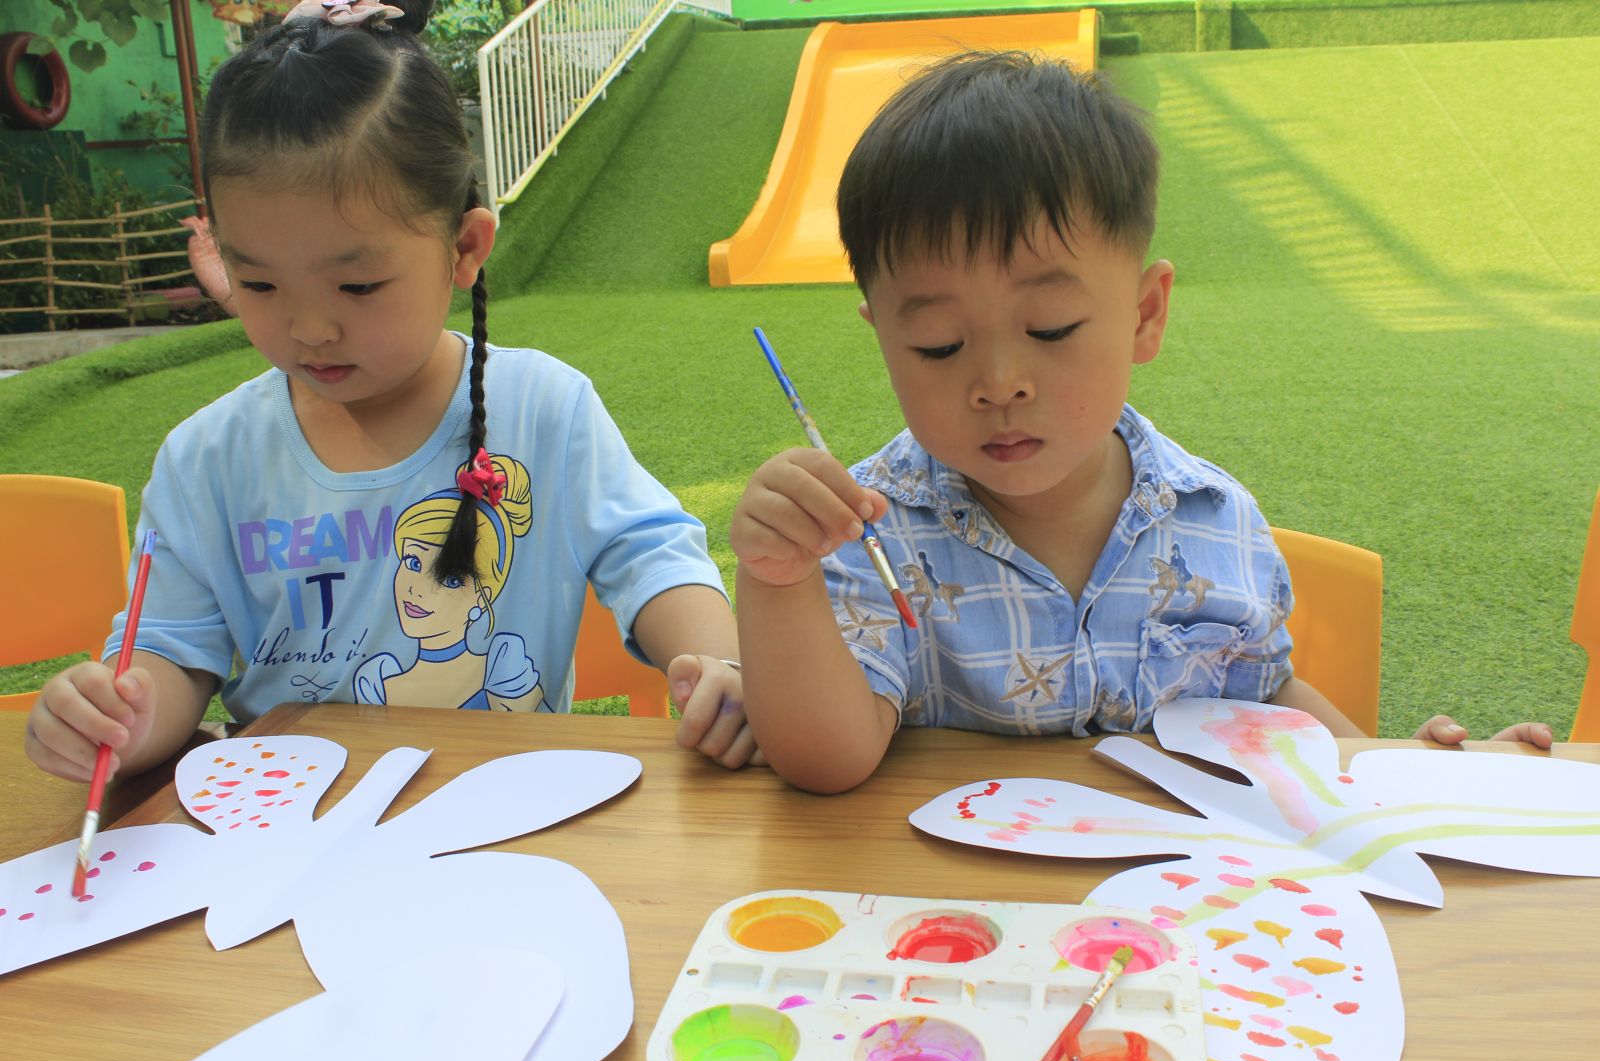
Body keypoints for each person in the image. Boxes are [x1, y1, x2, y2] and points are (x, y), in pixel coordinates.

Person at [729, 51, 1550, 793]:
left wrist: (1409, 781)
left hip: (1172, 902)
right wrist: (779, 581)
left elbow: (1268, 702)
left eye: (1051, 328)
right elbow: (826, 759)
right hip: (953, 904)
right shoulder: (866, 533)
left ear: (1144, 315)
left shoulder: (1214, 519)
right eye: (939, 345)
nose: (1000, 383)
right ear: (883, 336)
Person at [25, 0, 757, 783]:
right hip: (287, 820)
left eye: (358, 285)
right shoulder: (206, 459)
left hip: (503, 808)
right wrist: (120, 718)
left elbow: (651, 556)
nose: (310, 329)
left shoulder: (545, 408)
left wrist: (718, 663)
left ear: (464, 247)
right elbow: (170, 650)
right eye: (260, 283)